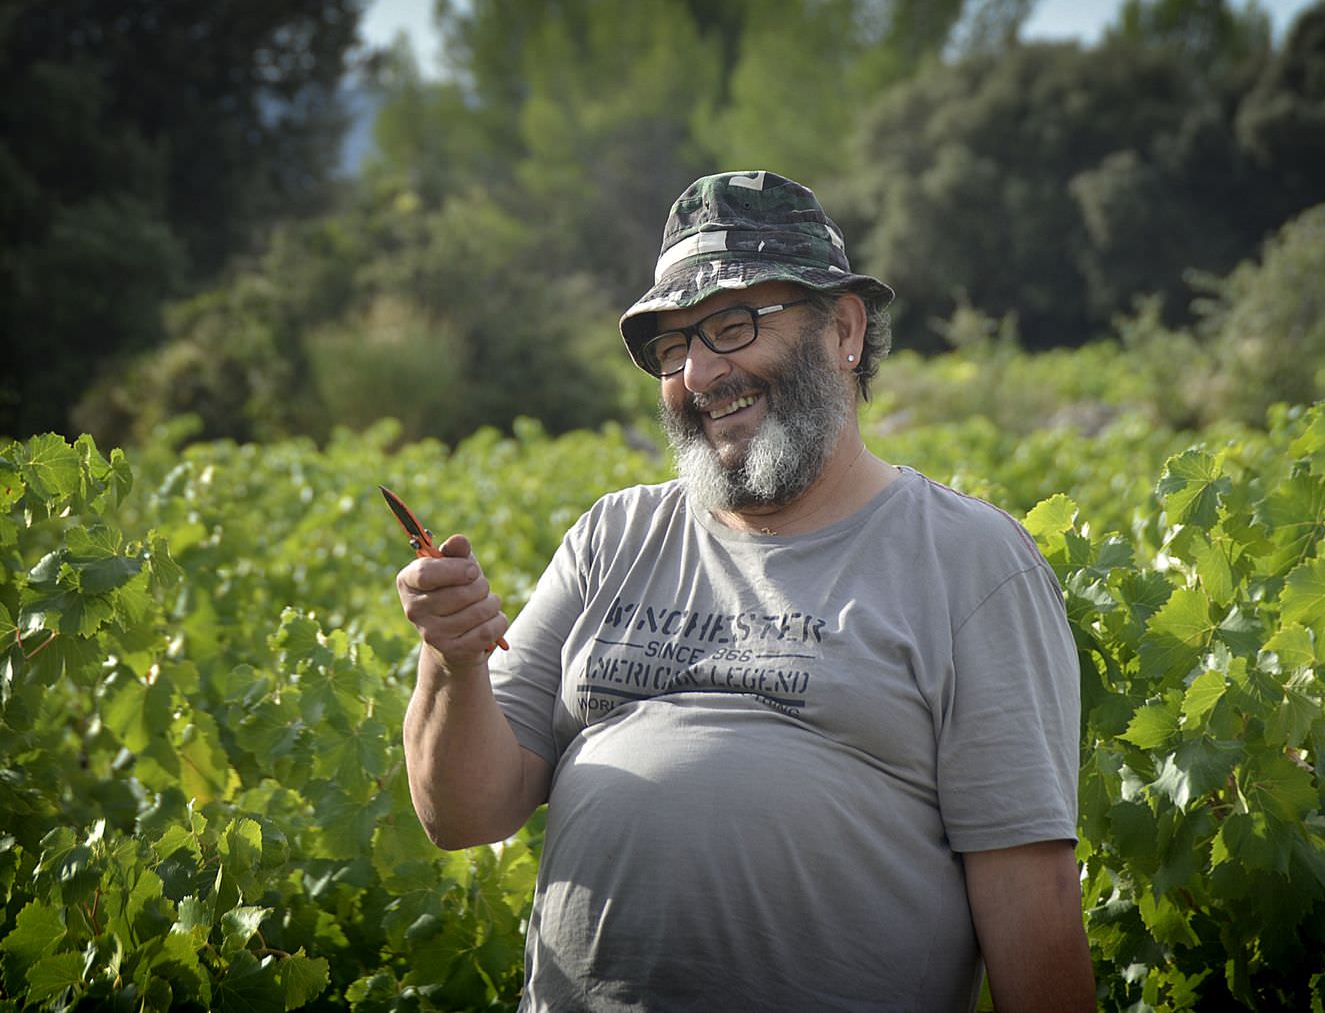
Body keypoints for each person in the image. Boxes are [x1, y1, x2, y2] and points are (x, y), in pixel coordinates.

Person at [397, 170, 1095, 1012]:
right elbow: (463, 814)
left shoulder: (970, 562)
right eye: (672, 346)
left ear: (843, 330)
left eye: (731, 325)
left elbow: (1036, 905)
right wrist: (452, 658)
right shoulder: (612, 537)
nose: (698, 373)